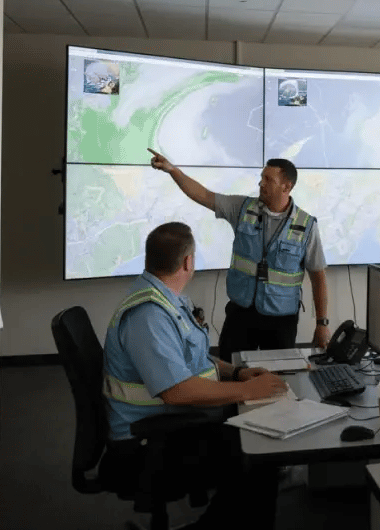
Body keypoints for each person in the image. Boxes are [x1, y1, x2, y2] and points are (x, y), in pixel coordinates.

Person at [102, 222, 288, 528]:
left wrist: (237, 373)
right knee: (258, 452)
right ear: (188, 262)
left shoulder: (168, 299)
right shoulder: (149, 315)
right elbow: (177, 391)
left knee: (254, 438)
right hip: (148, 441)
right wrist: (249, 392)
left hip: (170, 422)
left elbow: (194, 359)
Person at [148, 149, 331, 361]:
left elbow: (319, 278)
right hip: (241, 314)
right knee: (230, 371)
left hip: (282, 320)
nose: (261, 183)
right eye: (261, 177)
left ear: (286, 186)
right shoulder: (243, 209)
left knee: (281, 378)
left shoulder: (306, 226)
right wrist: (172, 171)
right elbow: (205, 196)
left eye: (268, 179)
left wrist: (322, 323)